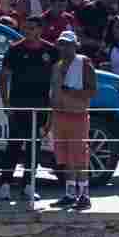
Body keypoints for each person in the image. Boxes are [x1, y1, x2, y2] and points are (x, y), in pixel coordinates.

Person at [0, 13, 58, 202]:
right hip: (18, 104)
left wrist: (52, 110)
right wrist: (6, 103)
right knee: (14, 144)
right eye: (26, 28)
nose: (29, 31)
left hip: (40, 106)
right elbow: (4, 77)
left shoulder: (51, 51)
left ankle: (29, 185)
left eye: (33, 28)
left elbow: (55, 82)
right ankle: (5, 184)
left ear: (40, 29)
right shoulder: (15, 49)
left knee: (34, 146)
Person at [49, 30, 96, 210]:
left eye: (68, 44)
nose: (64, 47)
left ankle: (84, 195)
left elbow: (92, 90)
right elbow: (53, 92)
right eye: (62, 43)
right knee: (65, 156)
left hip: (77, 115)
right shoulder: (57, 66)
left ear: (76, 45)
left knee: (80, 157)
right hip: (59, 115)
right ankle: (70, 194)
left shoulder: (84, 63)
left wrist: (71, 92)